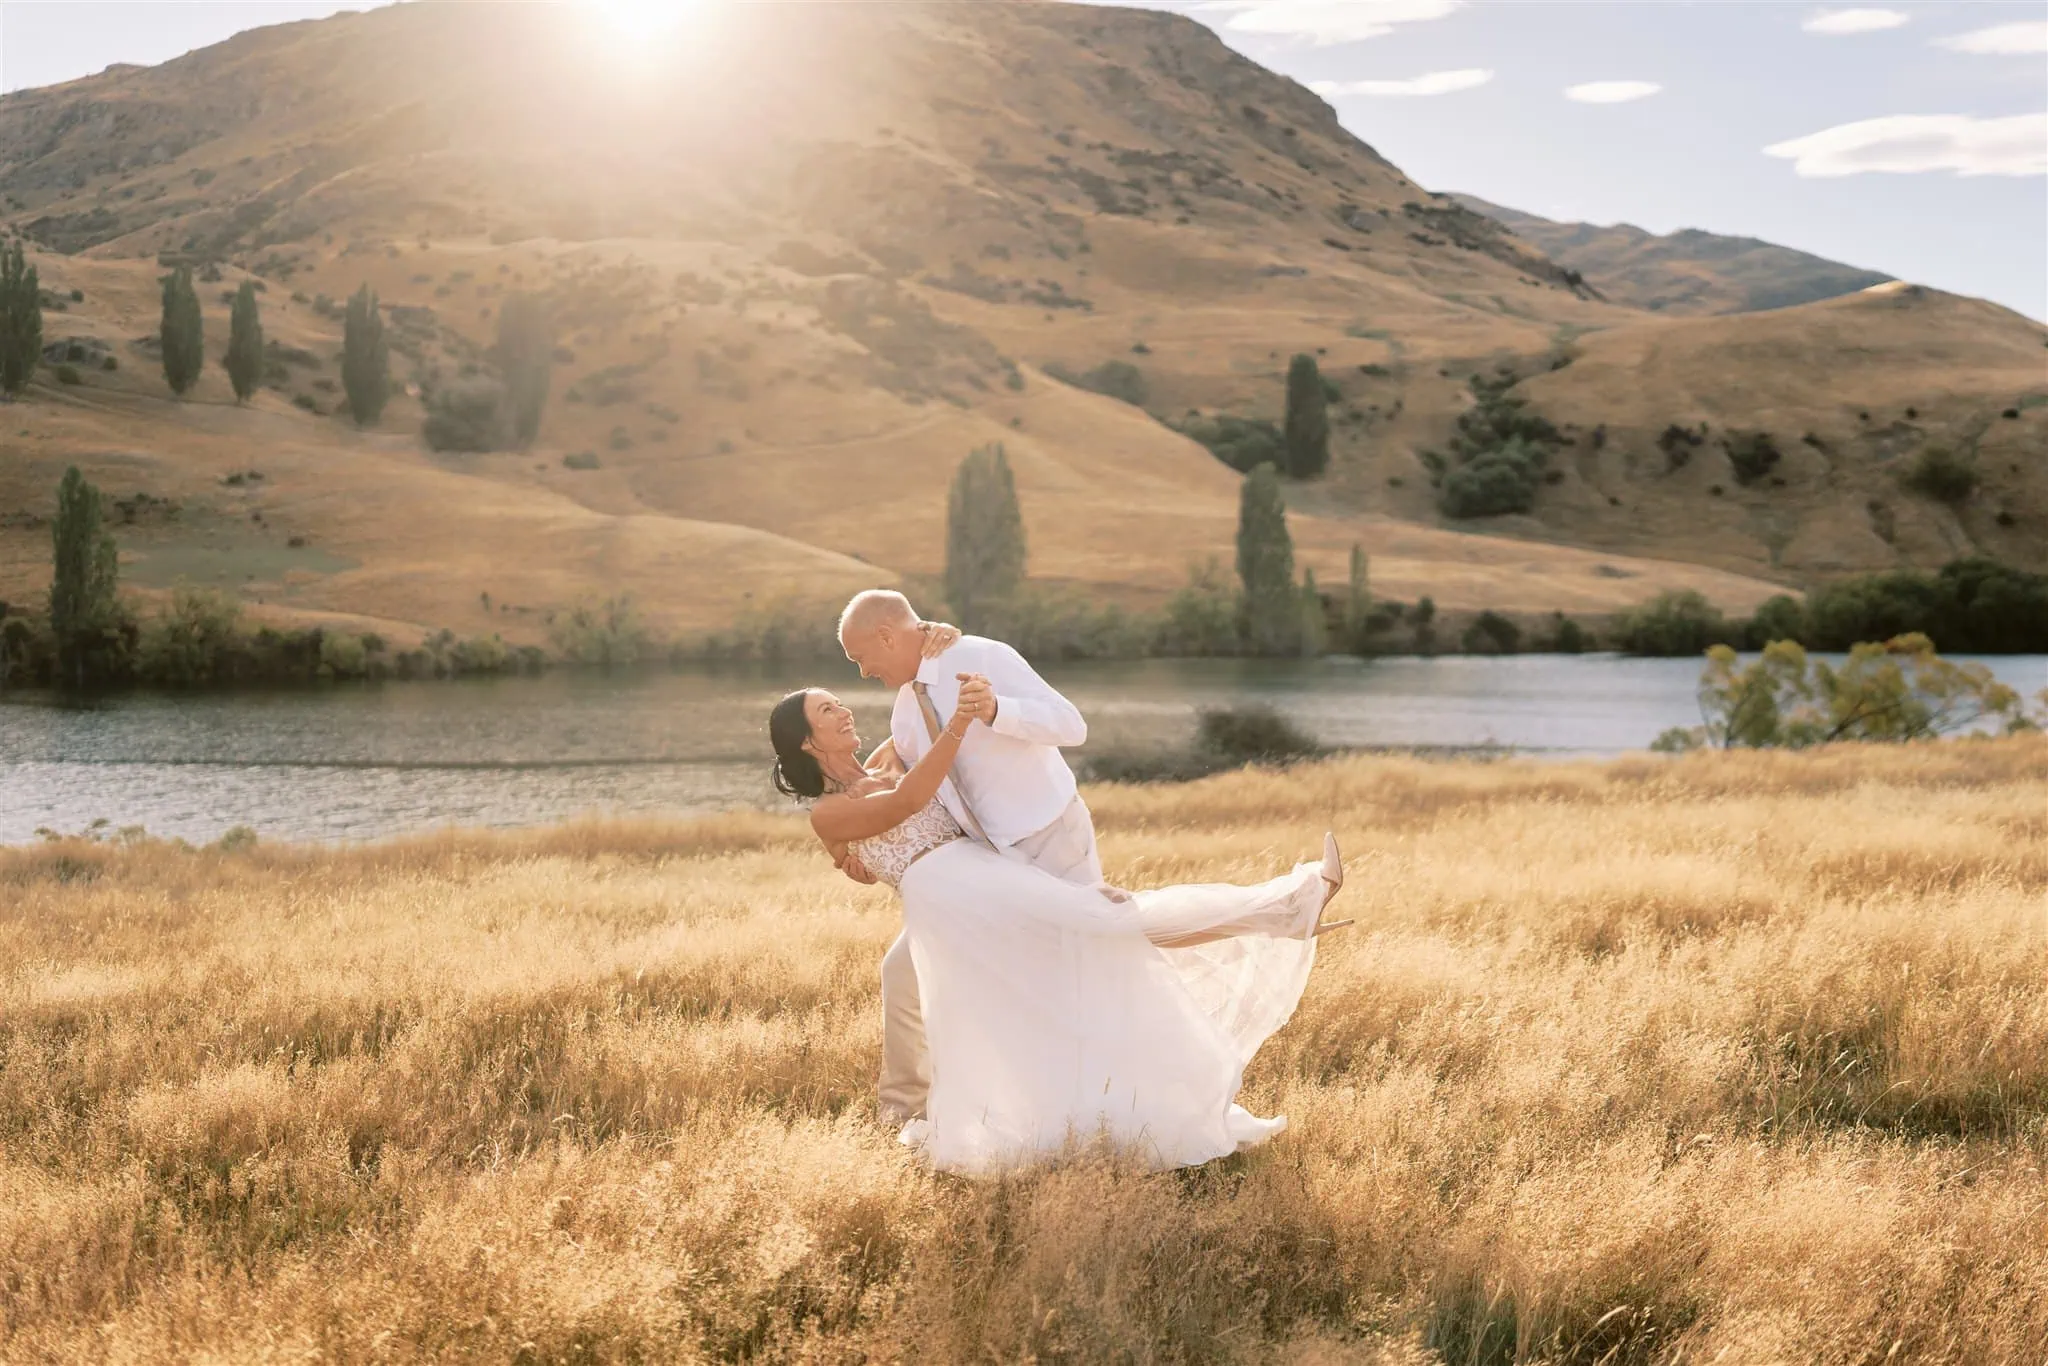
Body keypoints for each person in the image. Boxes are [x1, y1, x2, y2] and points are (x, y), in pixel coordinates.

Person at [768, 681, 1347, 1175]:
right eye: (827, 711)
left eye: (840, 703)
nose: (844, 711)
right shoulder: (827, 813)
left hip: (986, 878)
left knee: (1106, 922)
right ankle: (1283, 914)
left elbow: (921, 699)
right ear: (805, 741)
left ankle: (1287, 908)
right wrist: (961, 726)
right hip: (944, 902)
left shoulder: (885, 762)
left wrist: (940, 655)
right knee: (1045, 969)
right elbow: (912, 801)